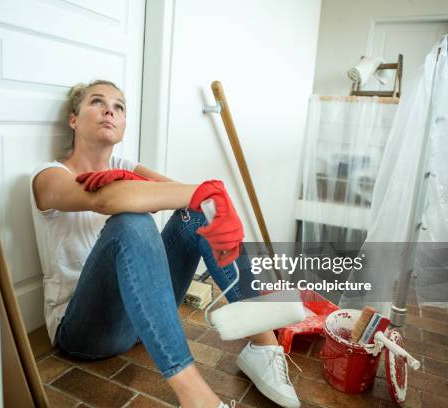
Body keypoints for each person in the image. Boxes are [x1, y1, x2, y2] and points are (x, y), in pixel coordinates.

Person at [30, 80, 300, 408]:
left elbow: (188, 196)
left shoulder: (125, 168)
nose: (109, 111)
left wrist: (209, 196)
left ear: (124, 124)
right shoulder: (48, 176)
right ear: (74, 119)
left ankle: (263, 346)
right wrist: (201, 191)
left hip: (140, 320)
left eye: (119, 107)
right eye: (97, 102)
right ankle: (196, 398)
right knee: (131, 219)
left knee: (197, 211)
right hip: (85, 328)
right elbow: (106, 201)